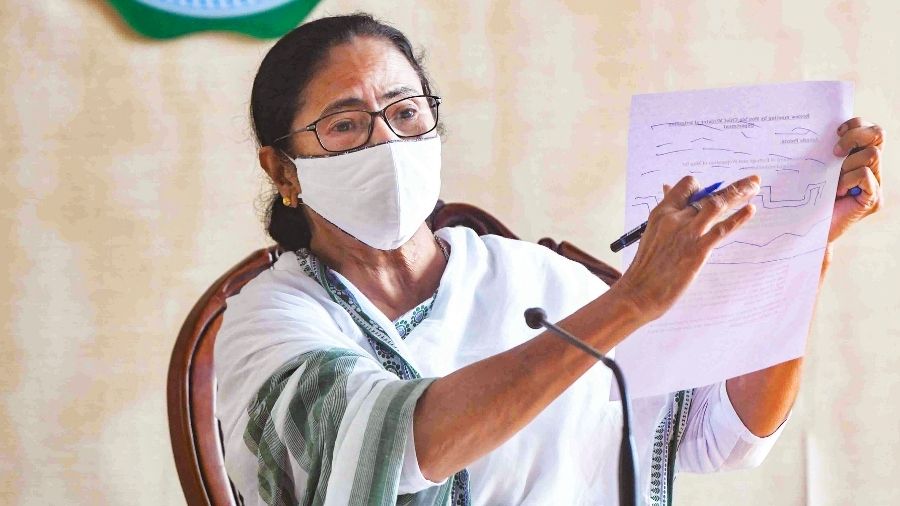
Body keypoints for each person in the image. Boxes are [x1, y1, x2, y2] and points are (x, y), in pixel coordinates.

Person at [213, 13, 885, 506]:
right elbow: (396, 448)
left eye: (406, 112)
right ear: (283, 170)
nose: (386, 142)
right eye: (345, 124)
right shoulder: (268, 322)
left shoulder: (532, 279)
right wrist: (630, 302)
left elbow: (722, 433)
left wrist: (799, 248)